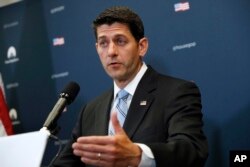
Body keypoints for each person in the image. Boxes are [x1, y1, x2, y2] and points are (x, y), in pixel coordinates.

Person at [52, 6, 208, 167]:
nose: (111, 51)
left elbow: (192, 150)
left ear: (142, 46)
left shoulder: (177, 92)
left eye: (120, 41)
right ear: (97, 48)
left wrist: (139, 155)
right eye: (103, 43)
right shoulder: (90, 111)